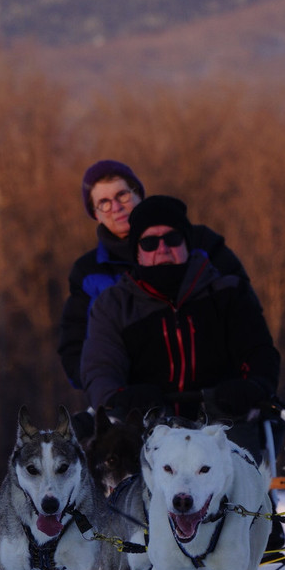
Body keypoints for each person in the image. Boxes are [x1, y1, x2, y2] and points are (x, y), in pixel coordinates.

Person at [79, 195, 280, 459]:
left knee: (239, 461)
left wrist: (253, 385)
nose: (162, 249)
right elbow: (101, 367)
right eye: (150, 242)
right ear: (137, 251)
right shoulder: (114, 305)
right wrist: (120, 396)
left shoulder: (229, 293)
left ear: (186, 243)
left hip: (223, 421)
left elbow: (258, 351)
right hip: (148, 425)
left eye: (172, 239)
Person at [58, 160, 253, 394]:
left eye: (122, 195)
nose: (116, 207)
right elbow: (74, 345)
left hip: (212, 392)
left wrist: (244, 383)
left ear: (139, 194)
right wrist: (105, 388)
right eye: (104, 203)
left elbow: (246, 314)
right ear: (95, 214)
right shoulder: (89, 272)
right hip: (134, 403)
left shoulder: (201, 243)